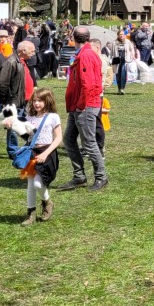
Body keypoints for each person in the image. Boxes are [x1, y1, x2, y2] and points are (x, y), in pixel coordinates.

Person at [59, 27, 109, 191]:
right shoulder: (84, 54)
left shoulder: (86, 55)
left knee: (89, 143)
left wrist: (81, 105)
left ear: (74, 38)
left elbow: (88, 85)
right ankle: (79, 176)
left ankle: (101, 177)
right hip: (79, 105)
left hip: (85, 105)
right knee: (69, 139)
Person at [19, 87, 63, 226]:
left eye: (40, 101)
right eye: (34, 101)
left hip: (47, 153)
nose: (36, 103)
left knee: (38, 184)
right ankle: (31, 213)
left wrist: (45, 153)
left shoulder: (53, 117)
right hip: (33, 153)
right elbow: (25, 135)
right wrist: (12, 126)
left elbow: (58, 138)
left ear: (47, 101)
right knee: (31, 184)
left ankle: (47, 202)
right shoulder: (29, 117)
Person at [0, 41, 37, 114]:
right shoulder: (11, 61)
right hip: (16, 103)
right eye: (32, 51)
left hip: (26, 102)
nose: (34, 53)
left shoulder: (23, 61)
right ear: (24, 51)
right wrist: (5, 100)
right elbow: (2, 83)